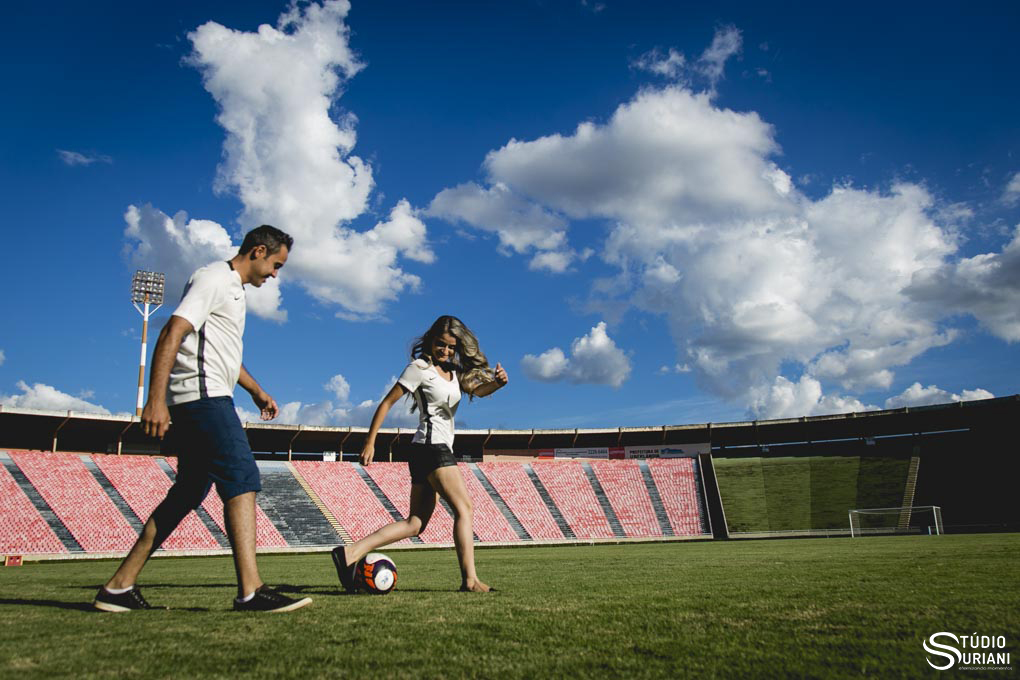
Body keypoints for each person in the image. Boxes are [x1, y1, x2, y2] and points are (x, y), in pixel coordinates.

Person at [93, 225, 311, 613]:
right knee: (242, 477)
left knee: (189, 491)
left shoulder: (235, 291)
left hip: (208, 394)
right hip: (202, 397)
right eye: (276, 265)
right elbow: (173, 331)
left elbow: (223, 354)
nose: (275, 274)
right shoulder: (213, 278)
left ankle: (118, 587)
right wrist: (154, 400)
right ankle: (251, 591)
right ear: (259, 251)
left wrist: (256, 390)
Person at [332, 315, 509, 593]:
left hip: (429, 449)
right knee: (465, 508)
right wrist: (370, 441)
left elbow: (479, 389)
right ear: (430, 341)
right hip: (431, 447)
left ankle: (350, 552)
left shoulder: (453, 373)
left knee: (415, 524)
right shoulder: (419, 368)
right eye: (441, 344)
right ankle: (470, 580)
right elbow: (386, 402)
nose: (446, 351)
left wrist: (497, 383)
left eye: (452, 347)